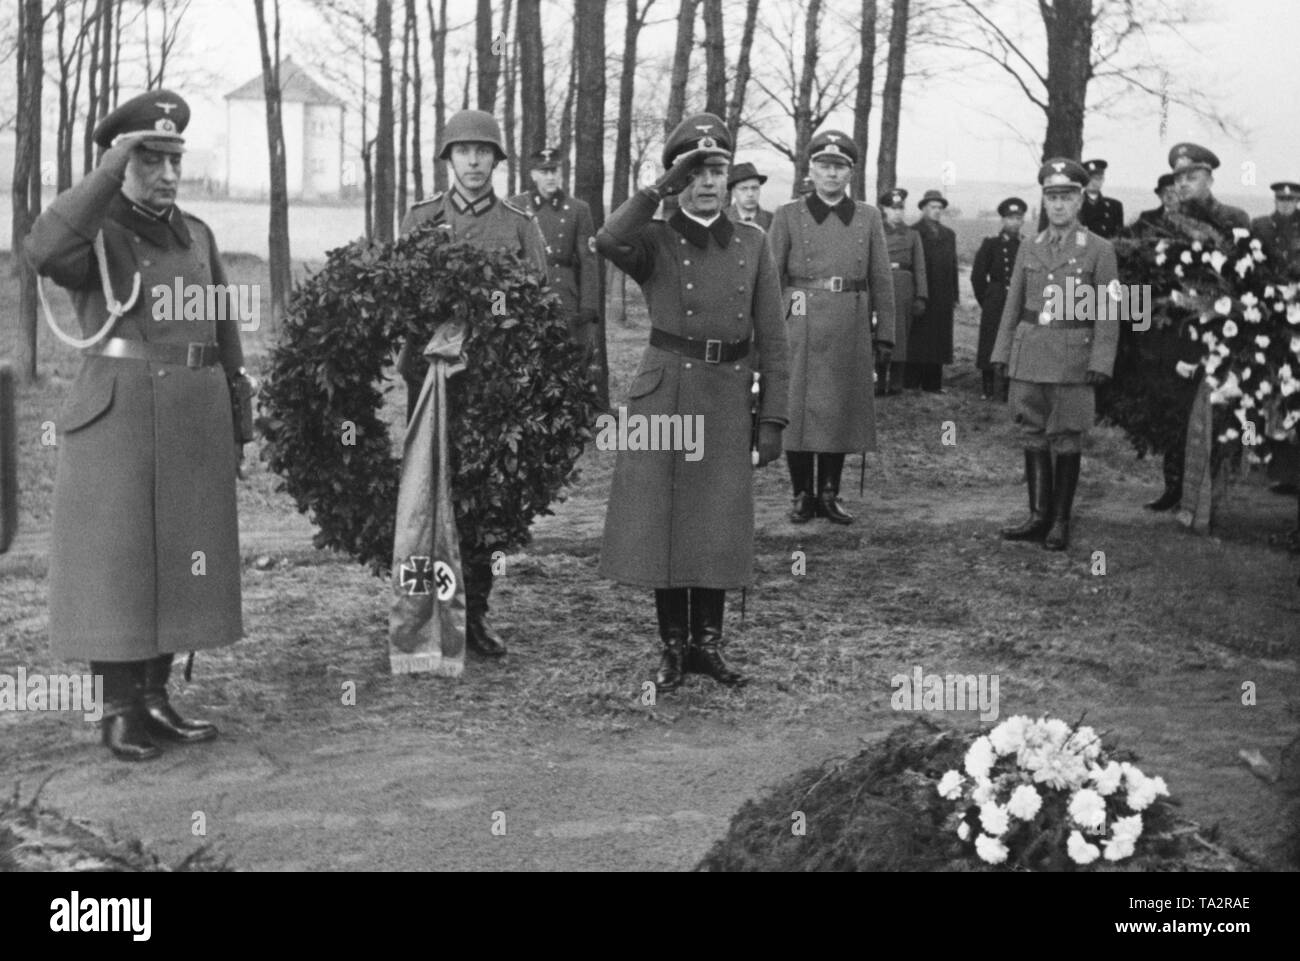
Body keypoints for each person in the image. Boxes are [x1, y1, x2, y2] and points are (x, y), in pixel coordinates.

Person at [25, 90, 246, 761]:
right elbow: (43, 246)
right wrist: (104, 173)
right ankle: (117, 709)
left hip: (191, 417)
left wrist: (238, 420)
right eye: (150, 159)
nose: (169, 174)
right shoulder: (93, 235)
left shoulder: (197, 234)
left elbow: (224, 331)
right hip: (117, 415)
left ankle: (155, 696)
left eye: (174, 158)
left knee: (181, 559)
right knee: (116, 563)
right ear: (121, 162)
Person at [595, 113, 789, 691]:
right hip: (666, 395)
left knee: (718, 518)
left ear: (730, 179)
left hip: (728, 392)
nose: (708, 181)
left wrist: (773, 416)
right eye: (696, 170)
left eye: (718, 169)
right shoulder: (655, 238)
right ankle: (673, 648)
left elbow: (774, 338)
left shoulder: (752, 244)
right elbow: (608, 238)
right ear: (681, 177)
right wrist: (657, 189)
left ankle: (709, 645)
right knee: (666, 519)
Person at [397, 108, 549, 658]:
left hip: (491, 386)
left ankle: (475, 612)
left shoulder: (517, 225)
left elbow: (538, 304)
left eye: (484, 152)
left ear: (497, 161)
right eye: (464, 152)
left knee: (483, 500)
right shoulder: (421, 219)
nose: (474, 162)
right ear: (448, 159)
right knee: (426, 495)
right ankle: (426, 612)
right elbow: (400, 299)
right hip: (432, 383)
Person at [990, 158, 1119, 551]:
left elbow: (1109, 310)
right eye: (1051, 198)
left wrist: (1101, 360)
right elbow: (1012, 305)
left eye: (1066, 197)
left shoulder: (1099, 249)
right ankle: (1036, 516)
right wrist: (1001, 353)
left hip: (1072, 358)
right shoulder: (1031, 246)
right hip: (1030, 353)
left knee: (1065, 437)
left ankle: (1060, 520)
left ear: (1080, 201)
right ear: (1043, 202)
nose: (1058, 206)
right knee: (1031, 432)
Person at [769, 129, 895, 525]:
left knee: (841, 407)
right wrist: (769, 332)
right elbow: (771, 278)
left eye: (839, 167)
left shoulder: (868, 216)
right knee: (799, 408)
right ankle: (802, 493)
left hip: (849, 320)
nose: (831, 174)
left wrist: (886, 333)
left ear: (850, 173)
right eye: (824, 166)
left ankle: (830, 492)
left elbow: (881, 278)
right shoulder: (788, 215)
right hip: (801, 317)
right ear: (811, 170)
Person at [508, 146, 599, 344]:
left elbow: (588, 262)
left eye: (554, 171)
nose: (550, 177)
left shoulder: (578, 209)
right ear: (533, 175)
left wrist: (588, 306)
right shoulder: (516, 206)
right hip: (527, 294)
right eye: (544, 172)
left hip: (564, 295)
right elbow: (502, 261)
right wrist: (497, 310)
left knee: (567, 358)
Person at [972, 197, 1026, 401]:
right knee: (990, 340)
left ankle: (1008, 386)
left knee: (1014, 339)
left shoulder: (1026, 245)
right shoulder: (991, 244)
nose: (1014, 222)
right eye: (1010, 218)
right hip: (996, 298)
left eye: (1018, 218)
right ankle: (987, 386)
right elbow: (977, 275)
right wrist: (986, 299)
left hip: (1018, 299)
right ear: (1003, 220)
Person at [877, 187, 927, 396]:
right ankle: (878, 382)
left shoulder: (912, 235)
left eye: (900, 208)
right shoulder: (876, 232)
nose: (897, 212)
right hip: (881, 286)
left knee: (901, 336)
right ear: (884, 209)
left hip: (904, 288)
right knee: (879, 334)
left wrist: (921, 296)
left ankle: (896, 383)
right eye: (892, 208)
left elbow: (920, 267)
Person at [908, 189, 958, 393]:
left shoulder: (948, 235)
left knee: (939, 340)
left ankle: (933, 384)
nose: (937, 211)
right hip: (923, 294)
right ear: (923, 208)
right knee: (918, 338)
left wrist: (954, 294)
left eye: (940, 208)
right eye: (933, 207)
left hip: (943, 296)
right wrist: (916, 295)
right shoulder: (914, 232)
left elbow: (953, 266)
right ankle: (911, 381)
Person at [1251, 181, 1300, 279]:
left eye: (1290, 199)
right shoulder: (1260, 225)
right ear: (1275, 201)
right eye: (1281, 199)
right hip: (1269, 286)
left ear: (1297, 201)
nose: (1285, 204)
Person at [1079, 159, 1124, 239]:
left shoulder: (1115, 206)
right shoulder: (1075, 205)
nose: (1092, 182)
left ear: (1103, 180)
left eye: (1097, 178)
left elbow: (1119, 236)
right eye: (1089, 179)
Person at [726, 162, 773, 229]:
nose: (750, 194)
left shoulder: (773, 221)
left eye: (755, 188)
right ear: (733, 192)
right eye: (744, 189)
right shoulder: (720, 220)